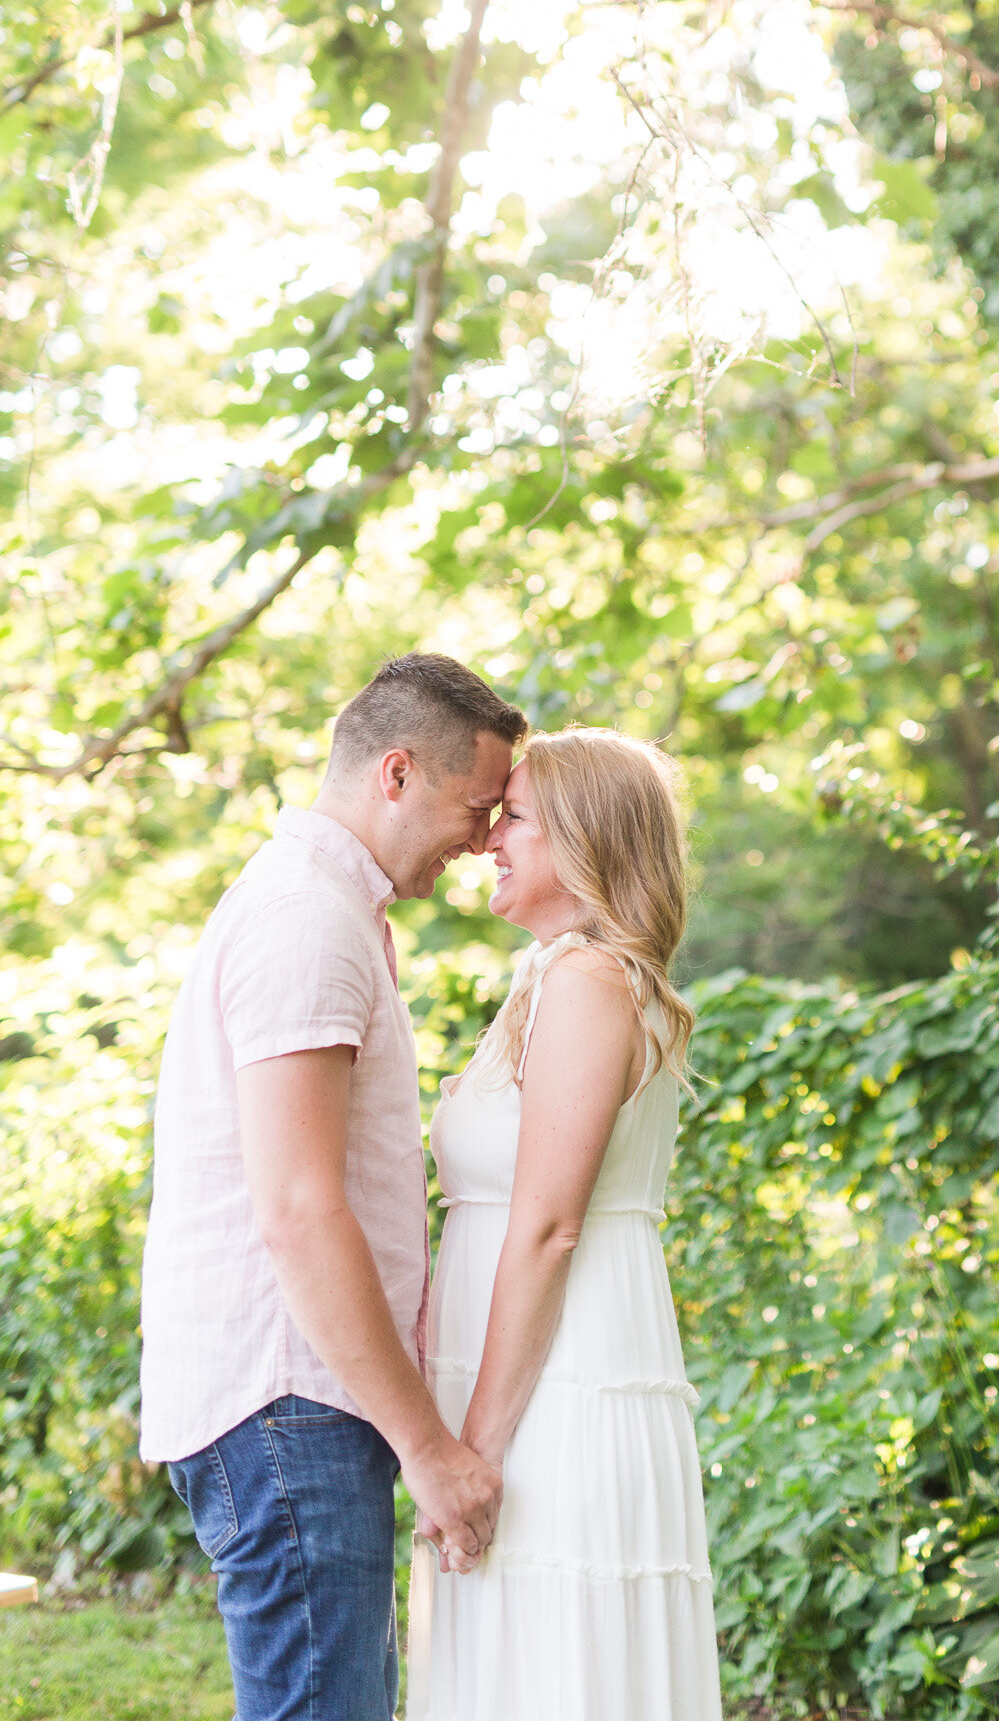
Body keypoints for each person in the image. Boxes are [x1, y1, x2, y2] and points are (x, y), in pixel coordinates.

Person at [139, 653, 527, 1721]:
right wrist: (428, 1448)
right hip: (288, 1403)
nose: (488, 834)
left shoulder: (326, 907)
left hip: (300, 1403)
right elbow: (299, 1208)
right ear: (394, 773)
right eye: (476, 803)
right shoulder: (305, 918)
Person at [406, 726, 724, 1721]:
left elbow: (546, 1226)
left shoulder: (588, 982)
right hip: (518, 1382)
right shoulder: (550, 976)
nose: (490, 837)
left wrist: (476, 1452)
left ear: (584, 842)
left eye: (517, 818)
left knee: (556, 1670)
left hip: (554, 1392)